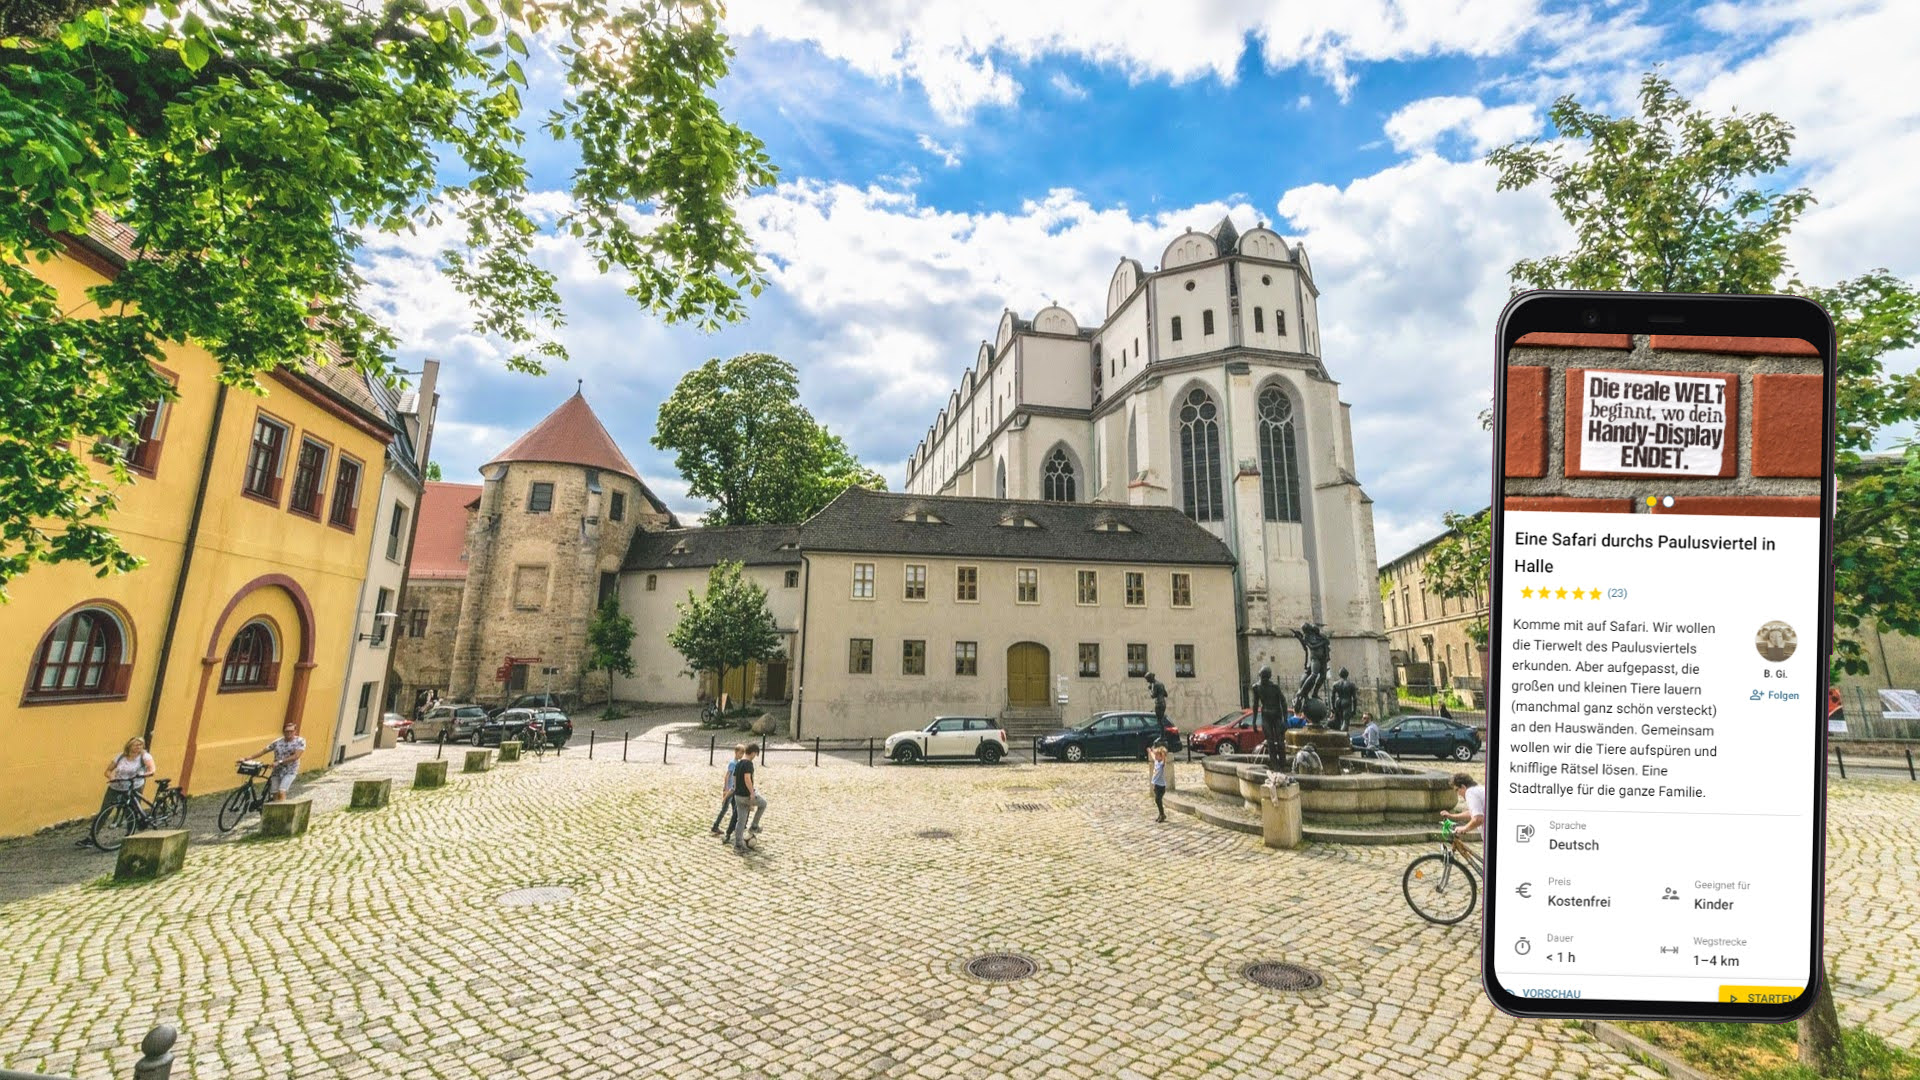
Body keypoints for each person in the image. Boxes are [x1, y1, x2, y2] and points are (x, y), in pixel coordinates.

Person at [80, 737, 155, 847]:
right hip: (116, 787)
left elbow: (151, 769)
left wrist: (145, 774)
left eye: (140, 745)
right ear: (129, 746)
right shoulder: (121, 756)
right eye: (136, 745)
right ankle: (91, 838)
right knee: (104, 811)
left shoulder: (144, 756)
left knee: (130, 812)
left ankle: (130, 835)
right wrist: (111, 777)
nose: (138, 747)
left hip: (133, 787)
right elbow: (108, 771)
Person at [241, 721, 306, 802]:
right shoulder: (278, 742)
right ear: (283, 732)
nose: (289, 733)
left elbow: (296, 756)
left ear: (295, 731)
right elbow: (263, 751)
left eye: (291, 731)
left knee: (281, 791)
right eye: (287, 731)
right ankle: (274, 808)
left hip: (290, 771)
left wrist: (279, 762)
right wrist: (247, 758)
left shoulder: (300, 741)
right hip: (277, 771)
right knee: (274, 793)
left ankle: (281, 809)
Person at [729, 744, 766, 853]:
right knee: (763, 804)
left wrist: (736, 789)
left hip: (738, 796)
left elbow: (734, 777)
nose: (755, 756)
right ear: (753, 752)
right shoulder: (748, 764)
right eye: (755, 754)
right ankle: (754, 826)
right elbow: (747, 778)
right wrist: (752, 793)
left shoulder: (739, 763)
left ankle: (738, 844)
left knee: (741, 821)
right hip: (746, 796)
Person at [711, 743, 744, 837]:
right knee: (724, 809)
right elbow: (727, 776)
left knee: (735, 809)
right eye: (740, 753)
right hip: (729, 790)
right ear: (736, 752)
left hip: (734, 790)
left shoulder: (738, 763)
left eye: (742, 753)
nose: (741, 755)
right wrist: (725, 789)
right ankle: (715, 826)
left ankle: (734, 826)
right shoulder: (733, 763)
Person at [1440, 772, 1485, 837]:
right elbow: (1473, 813)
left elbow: (1478, 819)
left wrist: (1464, 828)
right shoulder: (1478, 789)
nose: (1458, 794)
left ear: (1463, 787)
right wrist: (1451, 816)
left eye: (1457, 790)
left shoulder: (1470, 793)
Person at [1148, 743, 1170, 822]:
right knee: (1158, 801)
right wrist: (1150, 751)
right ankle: (1161, 814)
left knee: (1158, 800)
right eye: (1156, 755)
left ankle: (1162, 814)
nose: (1156, 756)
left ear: (1161, 756)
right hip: (1156, 785)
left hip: (1161, 786)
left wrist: (1163, 755)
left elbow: (1164, 761)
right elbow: (1153, 756)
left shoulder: (1161, 764)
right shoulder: (1156, 762)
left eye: (1157, 755)